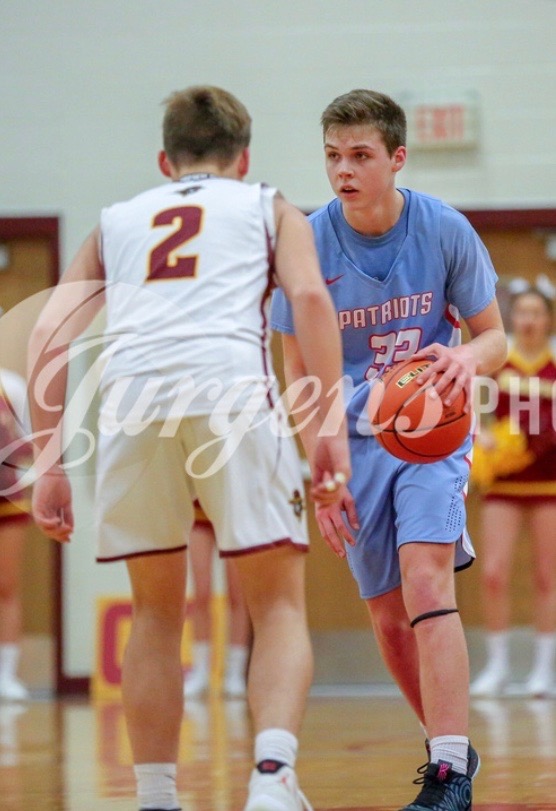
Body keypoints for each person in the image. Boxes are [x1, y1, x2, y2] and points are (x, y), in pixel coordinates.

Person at [28, 85, 350, 811]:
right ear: (244, 158)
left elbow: (49, 332)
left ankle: (155, 796)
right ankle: (271, 780)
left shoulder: (116, 221)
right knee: (277, 605)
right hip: (230, 388)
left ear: (164, 159)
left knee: (154, 611)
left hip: (132, 404)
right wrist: (328, 426)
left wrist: (48, 464)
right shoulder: (268, 205)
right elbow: (310, 300)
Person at [271, 88, 507, 811]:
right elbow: (294, 376)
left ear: (396, 158)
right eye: (333, 157)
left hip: (433, 430)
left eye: (360, 156)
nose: (344, 170)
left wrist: (470, 360)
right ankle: (449, 745)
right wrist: (323, 465)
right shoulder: (307, 242)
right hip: (352, 439)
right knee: (384, 612)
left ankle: (446, 774)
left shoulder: (444, 229)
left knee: (427, 582)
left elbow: (492, 336)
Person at [470, 287, 556, 698]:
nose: (528, 320)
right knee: (492, 574)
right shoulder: (498, 364)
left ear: (547, 320)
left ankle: (543, 671)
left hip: (549, 485)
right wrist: (482, 437)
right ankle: (498, 667)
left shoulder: (554, 367)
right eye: (521, 312)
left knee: (546, 577)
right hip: (503, 485)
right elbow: (471, 410)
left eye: (536, 313)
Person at [183, 503, 251, 699]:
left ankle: (235, 673)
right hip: (199, 511)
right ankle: (200, 672)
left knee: (237, 596)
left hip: (234, 510)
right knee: (201, 593)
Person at [0, 368, 33, 702]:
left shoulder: (11, 386)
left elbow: (33, 446)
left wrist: (8, 439)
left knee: (7, 586)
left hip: (8, 499)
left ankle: (6, 676)